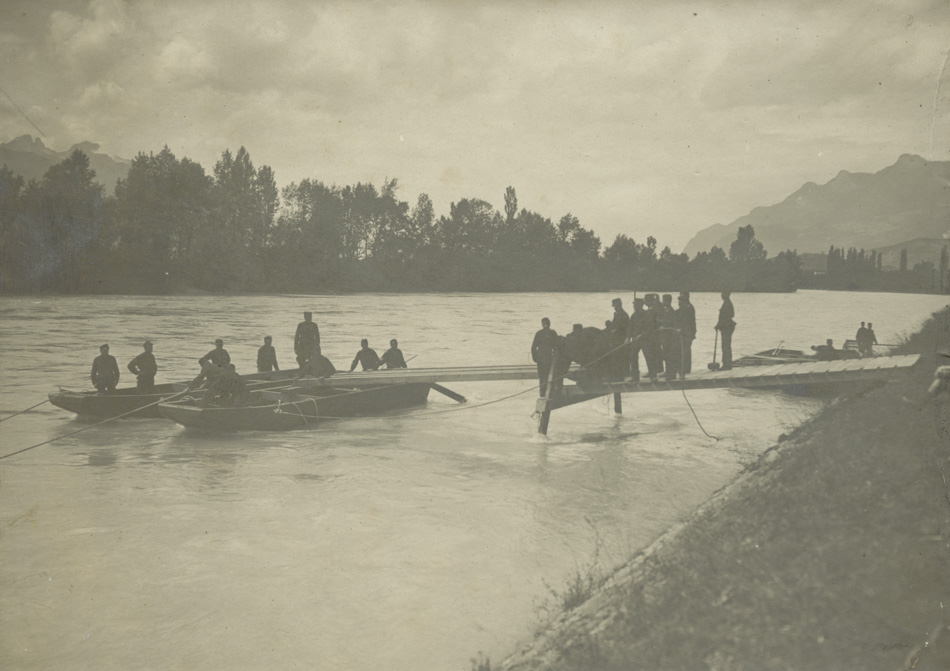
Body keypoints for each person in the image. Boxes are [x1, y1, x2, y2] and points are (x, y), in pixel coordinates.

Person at [627, 298, 658, 383]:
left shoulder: (647, 315)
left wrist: (641, 335)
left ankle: (653, 376)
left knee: (649, 357)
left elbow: (650, 328)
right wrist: (628, 337)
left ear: (639, 305)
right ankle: (635, 377)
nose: (634, 306)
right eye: (634, 305)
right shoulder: (633, 315)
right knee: (633, 356)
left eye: (635, 305)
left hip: (645, 340)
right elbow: (630, 327)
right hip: (636, 340)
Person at [531, 317, 560, 396]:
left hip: (540, 358)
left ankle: (542, 392)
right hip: (549, 357)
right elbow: (557, 346)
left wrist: (535, 358)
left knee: (542, 376)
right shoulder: (552, 333)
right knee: (551, 375)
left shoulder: (539, 333)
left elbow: (533, 347)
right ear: (549, 324)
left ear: (542, 324)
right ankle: (551, 392)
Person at [658, 294, 681, 380]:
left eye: (664, 301)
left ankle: (672, 373)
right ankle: (668, 371)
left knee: (671, 355)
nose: (663, 302)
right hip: (665, 337)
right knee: (666, 354)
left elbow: (672, 324)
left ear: (668, 301)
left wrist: (664, 327)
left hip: (669, 337)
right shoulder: (666, 311)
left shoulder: (671, 311)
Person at [609, 298, 630, 379]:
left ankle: (622, 372)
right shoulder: (617, 314)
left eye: (615, 306)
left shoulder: (623, 315)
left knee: (620, 355)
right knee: (616, 355)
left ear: (619, 305)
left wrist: (615, 330)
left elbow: (624, 327)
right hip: (615, 338)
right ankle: (616, 371)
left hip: (620, 338)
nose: (614, 307)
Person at [715, 291, 736, 370]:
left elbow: (724, 317)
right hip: (726, 326)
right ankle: (727, 363)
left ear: (727, 295)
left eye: (723, 294)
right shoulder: (727, 303)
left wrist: (719, 325)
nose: (721, 295)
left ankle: (727, 364)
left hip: (727, 327)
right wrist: (718, 325)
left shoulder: (727, 304)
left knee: (725, 346)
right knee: (726, 345)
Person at [677, 292, 697, 374]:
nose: (679, 302)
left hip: (687, 332)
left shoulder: (688, 308)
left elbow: (687, 322)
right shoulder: (686, 307)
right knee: (684, 350)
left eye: (680, 300)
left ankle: (685, 369)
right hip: (687, 332)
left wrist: (683, 330)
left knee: (685, 350)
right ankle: (684, 368)